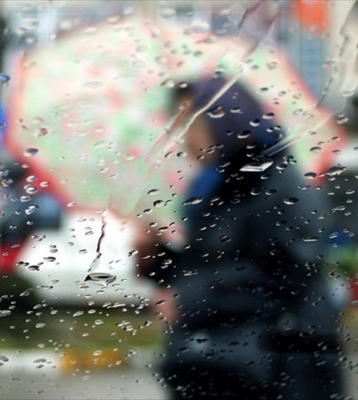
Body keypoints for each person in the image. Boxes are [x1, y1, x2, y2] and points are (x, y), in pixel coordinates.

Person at [135, 77, 346, 399]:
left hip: (278, 370)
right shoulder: (215, 187)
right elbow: (208, 265)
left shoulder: (278, 185)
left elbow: (286, 275)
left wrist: (189, 299)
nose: (183, 137)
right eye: (178, 124)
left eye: (190, 121)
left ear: (227, 117)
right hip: (221, 365)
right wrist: (157, 256)